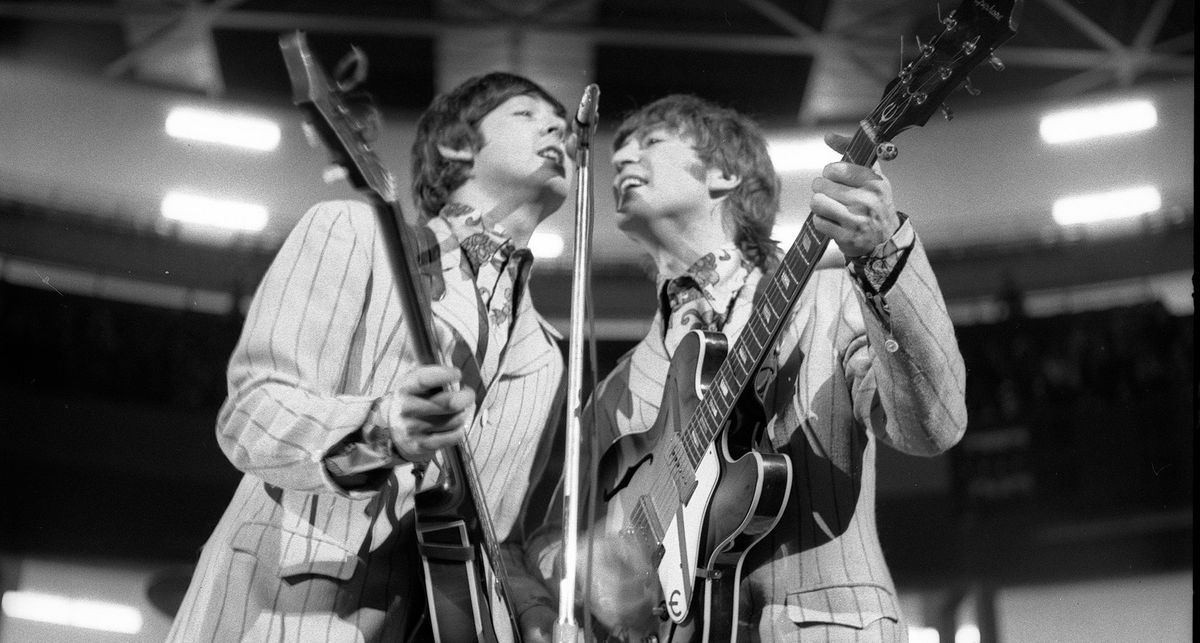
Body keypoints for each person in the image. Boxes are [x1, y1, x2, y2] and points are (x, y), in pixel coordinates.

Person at [520, 94, 967, 641]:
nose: (622, 159)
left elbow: (933, 428)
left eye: (651, 141)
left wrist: (883, 253)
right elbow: (549, 537)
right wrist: (585, 568)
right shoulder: (616, 389)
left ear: (726, 174)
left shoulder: (830, 300)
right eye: (619, 151)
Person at [167, 71, 572, 642]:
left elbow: (494, 534)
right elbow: (252, 415)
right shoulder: (352, 232)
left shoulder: (546, 356)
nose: (557, 123)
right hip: (278, 607)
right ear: (456, 146)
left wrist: (530, 614)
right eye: (525, 113)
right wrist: (383, 433)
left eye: (557, 118)